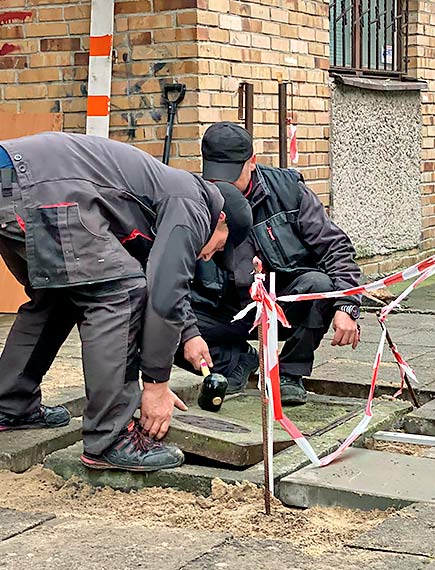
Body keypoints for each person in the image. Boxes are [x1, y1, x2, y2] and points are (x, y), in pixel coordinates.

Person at [0, 132, 253, 471]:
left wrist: (189, 334)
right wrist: (156, 385)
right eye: (219, 246)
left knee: (60, 297)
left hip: (19, 181)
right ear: (220, 219)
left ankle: (11, 405)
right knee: (119, 293)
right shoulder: (193, 204)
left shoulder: (170, 192)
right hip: (38, 187)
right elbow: (162, 294)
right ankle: (111, 438)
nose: (209, 255)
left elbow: (159, 276)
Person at [184, 121, 362, 406]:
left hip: (281, 305)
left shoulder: (289, 190)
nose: (224, 185)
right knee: (160, 321)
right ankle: (235, 362)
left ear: (252, 162)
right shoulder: (194, 197)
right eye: (216, 176)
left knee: (320, 285)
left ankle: (291, 374)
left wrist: (348, 304)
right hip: (224, 308)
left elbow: (335, 247)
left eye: (232, 175)